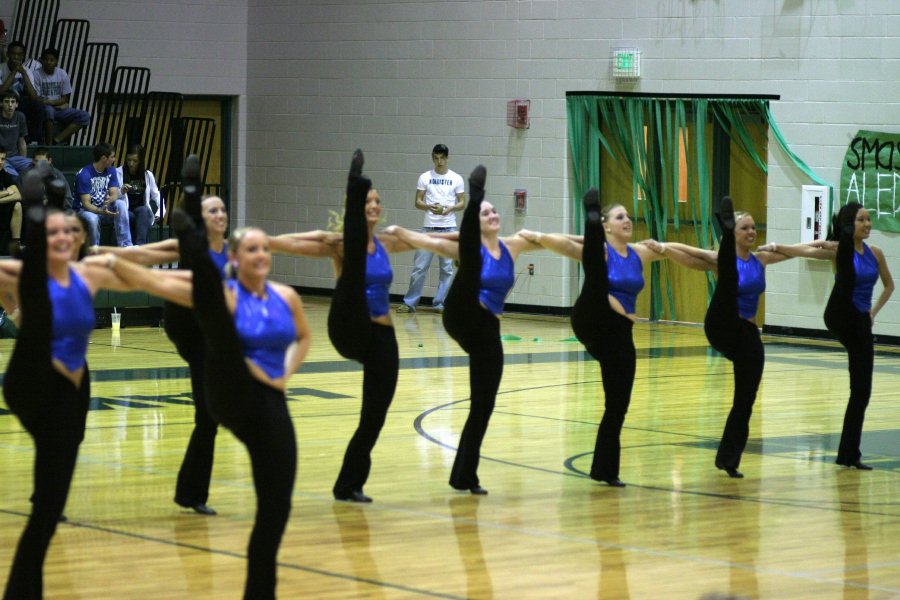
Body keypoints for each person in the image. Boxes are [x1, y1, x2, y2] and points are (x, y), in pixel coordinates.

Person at [96, 162, 312, 597]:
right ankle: (193, 490)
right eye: (210, 210)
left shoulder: (235, 253)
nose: (219, 216)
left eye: (220, 211)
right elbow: (146, 258)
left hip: (221, 334)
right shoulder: (193, 247)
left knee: (206, 417)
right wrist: (108, 256)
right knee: (207, 410)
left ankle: (191, 492)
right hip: (190, 326)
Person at [1, 177, 134, 598]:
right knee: (49, 508)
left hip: (75, 386)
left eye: (69, 230)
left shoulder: (91, 271)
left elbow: (152, 265)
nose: (63, 236)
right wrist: (13, 309)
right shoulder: (25, 271)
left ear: (81, 239)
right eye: (52, 230)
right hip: (35, 381)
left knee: (55, 488)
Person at [518, 193, 704, 487]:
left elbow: (680, 254)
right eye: (620, 217)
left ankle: (605, 470)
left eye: (628, 216)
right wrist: (540, 237)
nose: (628, 220)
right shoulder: (601, 251)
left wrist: (666, 245)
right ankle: (590, 218)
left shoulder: (640, 252)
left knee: (617, 404)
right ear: (606, 227)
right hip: (593, 318)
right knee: (595, 269)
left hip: (620, 332)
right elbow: (568, 244)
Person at [272, 150, 418, 503]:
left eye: (377, 201)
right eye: (367, 200)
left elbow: (433, 240)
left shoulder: (385, 242)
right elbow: (303, 244)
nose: (374, 205)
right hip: (350, 324)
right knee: (351, 255)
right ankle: (353, 183)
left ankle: (349, 484)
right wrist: (262, 242)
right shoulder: (341, 244)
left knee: (375, 416)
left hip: (381, 334)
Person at [386, 166, 541, 494]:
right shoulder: (465, 247)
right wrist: (400, 233)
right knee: (471, 255)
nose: (494, 215)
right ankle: (474, 194)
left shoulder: (511, 246)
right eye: (485, 212)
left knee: (483, 406)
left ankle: (464, 475)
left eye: (493, 210)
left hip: (488, 332)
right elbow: (428, 240)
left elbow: (551, 242)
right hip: (462, 315)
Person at [649, 198, 822, 478]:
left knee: (746, 399)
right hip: (723, 324)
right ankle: (725, 228)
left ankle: (729, 459)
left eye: (753, 228)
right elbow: (689, 253)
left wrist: (816, 242)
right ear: (732, 233)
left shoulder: (761, 259)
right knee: (726, 268)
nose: (752, 232)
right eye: (744, 228)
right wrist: (664, 247)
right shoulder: (720, 260)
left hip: (748, 333)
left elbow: (800, 251)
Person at [763, 202, 893, 470]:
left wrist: (873, 312)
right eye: (861, 220)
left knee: (862, 391)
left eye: (869, 220)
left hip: (860, 319)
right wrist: (777, 246)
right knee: (860, 387)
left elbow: (890, 286)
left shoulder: (876, 253)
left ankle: (848, 454)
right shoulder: (840, 251)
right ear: (849, 224)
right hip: (838, 314)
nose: (867, 224)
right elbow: (808, 250)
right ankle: (848, 455)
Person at [396, 143, 465, 314]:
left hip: (448, 229)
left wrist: (450, 208)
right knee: (419, 267)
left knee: (447, 269)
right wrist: (428, 206)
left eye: (442, 158)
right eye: (436, 158)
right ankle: (410, 303)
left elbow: (462, 202)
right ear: (433, 157)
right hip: (428, 228)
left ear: (447, 158)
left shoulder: (456, 178)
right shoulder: (425, 177)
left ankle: (440, 303)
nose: (439, 161)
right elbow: (417, 201)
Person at [30, 47, 91, 146]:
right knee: (48, 110)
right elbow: (38, 99)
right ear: (42, 61)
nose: (49, 62)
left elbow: (65, 98)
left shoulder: (62, 73)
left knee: (85, 116)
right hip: (46, 108)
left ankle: (56, 140)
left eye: (51, 60)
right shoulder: (36, 74)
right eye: (46, 59)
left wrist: (52, 102)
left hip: (59, 109)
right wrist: (56, 103)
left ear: (56, 62)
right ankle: (49, 144)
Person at [74, 142, 130, 247]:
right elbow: (86, 204)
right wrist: (100, 210)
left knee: (121, 204)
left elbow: (114, 194)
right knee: (93, 219)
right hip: (85, 211)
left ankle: (126, 245)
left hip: (103, 208)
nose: (114, 159)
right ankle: (94, 250)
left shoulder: (111, 170)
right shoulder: (84, 175)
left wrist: (109, 200)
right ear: (104, 158)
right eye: (112, 157)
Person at [0, 41, 44, 145]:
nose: (15, 57)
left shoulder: (27, 71)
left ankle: (33, 140)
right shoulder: (1, 68)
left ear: (23, 56)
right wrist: (14, 72)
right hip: (2, 103)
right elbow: (1, 92)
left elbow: (34, 96)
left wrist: (23, 73)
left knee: (38, 106)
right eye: (13, 53)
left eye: (19, 54)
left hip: (19, 103)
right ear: (7, 54)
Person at [115, 144, 158, 245]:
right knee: (129, 215)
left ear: (140, 161)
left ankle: (140, 248)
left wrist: (160, 212)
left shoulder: (147, 175)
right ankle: (129, 248)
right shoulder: (118, 172)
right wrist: (121, 191)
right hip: (125, 209)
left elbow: (156, 194)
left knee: (143, 211)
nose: (131, 163)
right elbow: (112, 195)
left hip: (140, 209)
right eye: (129, 160)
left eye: (135, 161)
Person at [0, 91, 30, 175]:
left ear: (16, 104)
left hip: (15, 157)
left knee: (37, 166)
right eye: (6, 102)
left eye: (13, 102)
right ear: (1, 104)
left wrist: (23, 160)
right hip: (1, 158)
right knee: (14, 175)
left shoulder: (20, 116)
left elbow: (22, 141)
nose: (10, 105)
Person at [0, 149, 21, 249]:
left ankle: (16, 242)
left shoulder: (6, 176)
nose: (0, 161)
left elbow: (18, 195)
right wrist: (7, 192)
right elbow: (12, 192)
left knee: (17, 205)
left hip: (2, 208)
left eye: (3, 159)